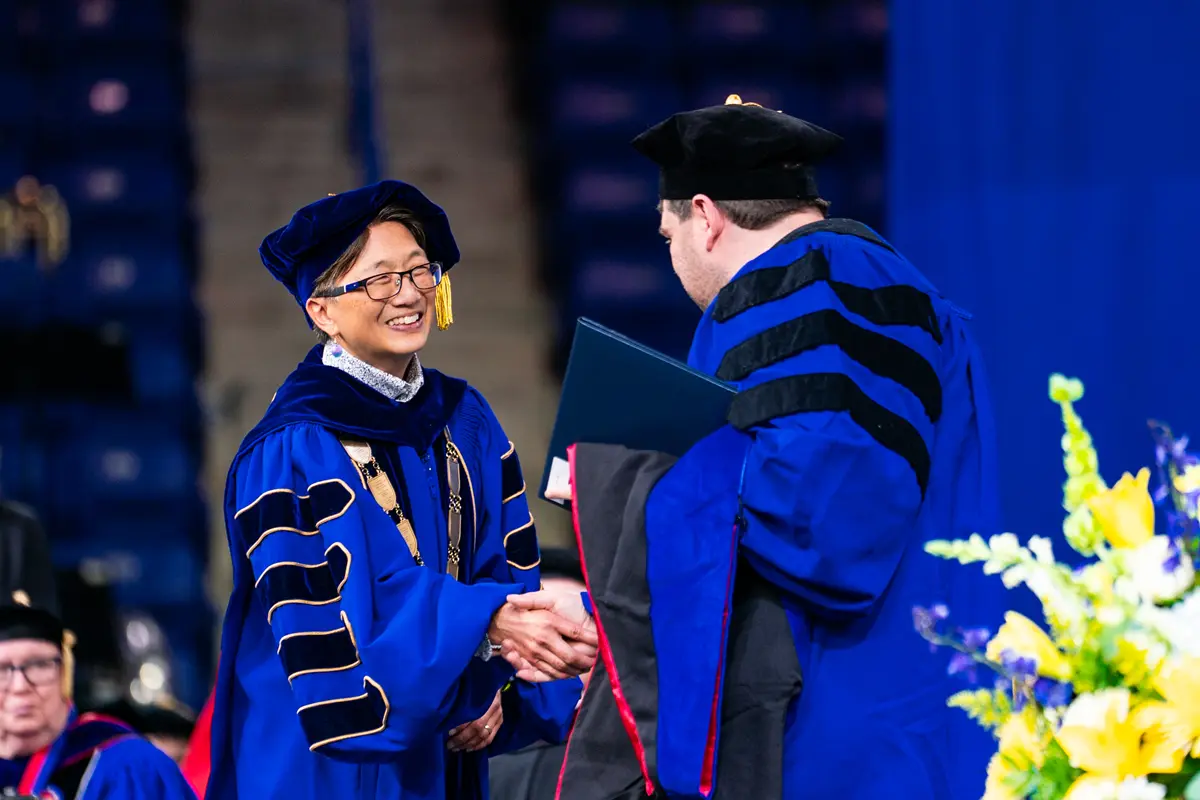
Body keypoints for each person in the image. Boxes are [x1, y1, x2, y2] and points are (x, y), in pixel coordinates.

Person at [510, 95, 1006, 799]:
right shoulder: (860, 282)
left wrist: (618, 471)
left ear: (706, 217)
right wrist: (598, 613)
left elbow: (825, 516)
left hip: (848, 723)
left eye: (667, 234)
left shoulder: (815, 280)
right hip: (902, 696)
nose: (673, 257)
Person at [206, 180, 594, 800]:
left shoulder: (466, 419)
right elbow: (341, 613)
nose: (409, 294)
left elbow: (508, 570)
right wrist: (482, 630)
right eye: (380, 279)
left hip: (448, 740)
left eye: (419, 272)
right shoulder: (289, 450)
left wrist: (492, 687)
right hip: (325, 764)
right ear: (321, 310)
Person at [0, 588, 196, 798]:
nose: (20, 686)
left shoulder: (130, 766)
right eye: (2, 668)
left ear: (65, 674)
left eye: (39, 665)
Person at [487, 549, 588, 800]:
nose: (544, 650)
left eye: (565, 636)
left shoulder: (638, 761)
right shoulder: (473, 741)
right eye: (531, 638)